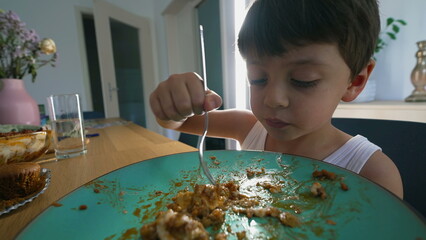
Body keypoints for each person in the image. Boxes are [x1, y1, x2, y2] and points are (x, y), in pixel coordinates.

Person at [149, 0, 403, 198]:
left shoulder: (372, 172)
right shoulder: (248, 128)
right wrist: (173, 105)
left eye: (303, 80)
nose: (274, 99)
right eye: (257, 78)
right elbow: (175, 124)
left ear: (354, 82)